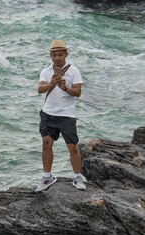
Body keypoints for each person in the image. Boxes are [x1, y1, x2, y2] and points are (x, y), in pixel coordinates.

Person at [35, 39, 87, 192]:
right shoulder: (46, 71)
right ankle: (47, 176)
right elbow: (40, 89)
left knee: (72, 147)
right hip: (48, 114)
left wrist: (64, 87)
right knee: (46, 143)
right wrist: (52, 84)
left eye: (60, 55)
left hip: (66, 115)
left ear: (65, 55)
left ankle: (77, 176)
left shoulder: (74, 71)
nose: (57, 58)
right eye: (54, 55)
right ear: (50, 56)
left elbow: (77, 92)